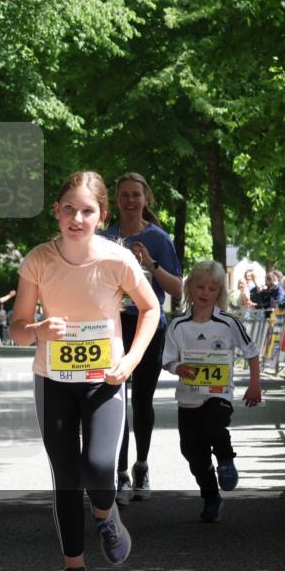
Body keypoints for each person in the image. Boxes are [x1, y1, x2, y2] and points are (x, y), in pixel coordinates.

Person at [11, 171, 160, 571]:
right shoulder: (38, 259)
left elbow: (150, 309)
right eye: (69, 209)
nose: (77, 218)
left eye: (87, 211)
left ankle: (105, 514)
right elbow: (18, 328)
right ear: (56, 211)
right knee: (66, 477)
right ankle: (74, 570)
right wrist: (38, 330)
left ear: (102, 215)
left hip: (104, 379)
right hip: (53, 380)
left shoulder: (118, 259)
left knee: (98, 466)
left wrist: (131, 360)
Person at [99, 172, 183, 505]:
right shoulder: (105, 238)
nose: (131, 200)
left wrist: (150, 264)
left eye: (136, 195)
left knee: (142, 401)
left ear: (145, 199)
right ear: (116, 200)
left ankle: (142, 467)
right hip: (114, 325)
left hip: (149, 325)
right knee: (115, 397)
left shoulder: (159, 238)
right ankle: (119, 473)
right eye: (124, 195)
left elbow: (177, 289)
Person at [163, 260, 261, 522]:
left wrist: (254, 385)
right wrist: (178, 368)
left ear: (220, 292)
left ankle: (226, 459)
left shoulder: (228, 323)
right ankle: (210, 496)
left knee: (213, 427)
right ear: (189, 288)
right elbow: (168, 360)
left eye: (212, 288)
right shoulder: (178, 325)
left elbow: (251, 353)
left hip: (219, 393)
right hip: (188, 398)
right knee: (191, 452)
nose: (205, 293)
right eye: (200, 286)